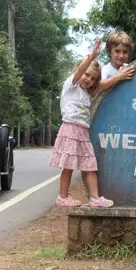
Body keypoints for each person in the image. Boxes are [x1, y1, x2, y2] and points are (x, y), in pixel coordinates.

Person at [49, 39, 114, 208]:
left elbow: (103, 86)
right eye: (87, 75)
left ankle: (94, 198)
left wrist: (119, 76)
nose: (88, 79)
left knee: (90, 165)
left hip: (83, 132)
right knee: (69, 166)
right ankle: (62, 197)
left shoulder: (87, 93)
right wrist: (92, 56)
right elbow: (79, 71)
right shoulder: (70, 86)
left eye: (92, 78)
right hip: (70, 129)